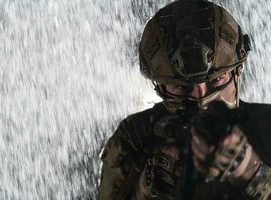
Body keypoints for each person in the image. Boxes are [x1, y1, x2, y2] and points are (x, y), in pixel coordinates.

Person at [97, 0, 271, 199]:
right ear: (159, 87)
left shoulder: (267, 127)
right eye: (182, 87)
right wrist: (144, 190)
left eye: (216, 80)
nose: (201, 99)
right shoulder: (135, 136)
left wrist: (250, 171)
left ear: (237, 72)